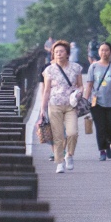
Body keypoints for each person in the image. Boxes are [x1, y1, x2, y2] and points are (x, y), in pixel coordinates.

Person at [39, 40, 84, 173]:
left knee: (72, 133)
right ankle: (59, 162)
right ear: (53, 54)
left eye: (61, 51)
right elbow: (46, 90)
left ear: (67, 53)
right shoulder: (49, 70)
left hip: (71, 105)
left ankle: (69, 155)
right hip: (54, 104)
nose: (58, 54)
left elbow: (80, 85)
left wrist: (80, 92)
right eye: (56, 52)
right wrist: (43, 109)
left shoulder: (76, 68)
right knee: (58, 135)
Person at [86, 43, 111, 160]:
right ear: (98, 52)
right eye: (102, 50)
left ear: (110, 52)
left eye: (106, 50)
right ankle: (102, 150)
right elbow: (89, 84)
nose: (104, 53)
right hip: (96, 102)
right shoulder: (93, 67)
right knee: (100, 127)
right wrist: (85, 100)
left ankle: (108, 142)